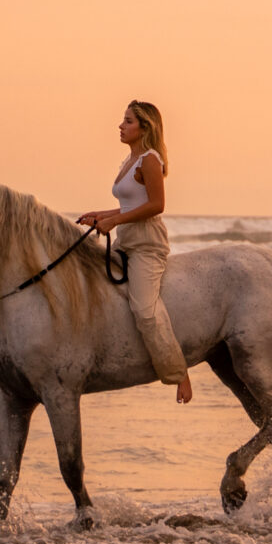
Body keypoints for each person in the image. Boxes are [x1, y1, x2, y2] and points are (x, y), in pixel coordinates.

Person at [76, 100, 192, 403]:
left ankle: (178, 372)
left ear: (145, 127)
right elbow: (129, 205)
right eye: (123, 120)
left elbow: (157, 205)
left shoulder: (150, 160)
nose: (120, 125)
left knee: (144, 310)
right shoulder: (128, 161)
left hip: (147, 246)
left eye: (128, 121)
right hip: (127, 241)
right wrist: (101, 215)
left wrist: (114, 220)